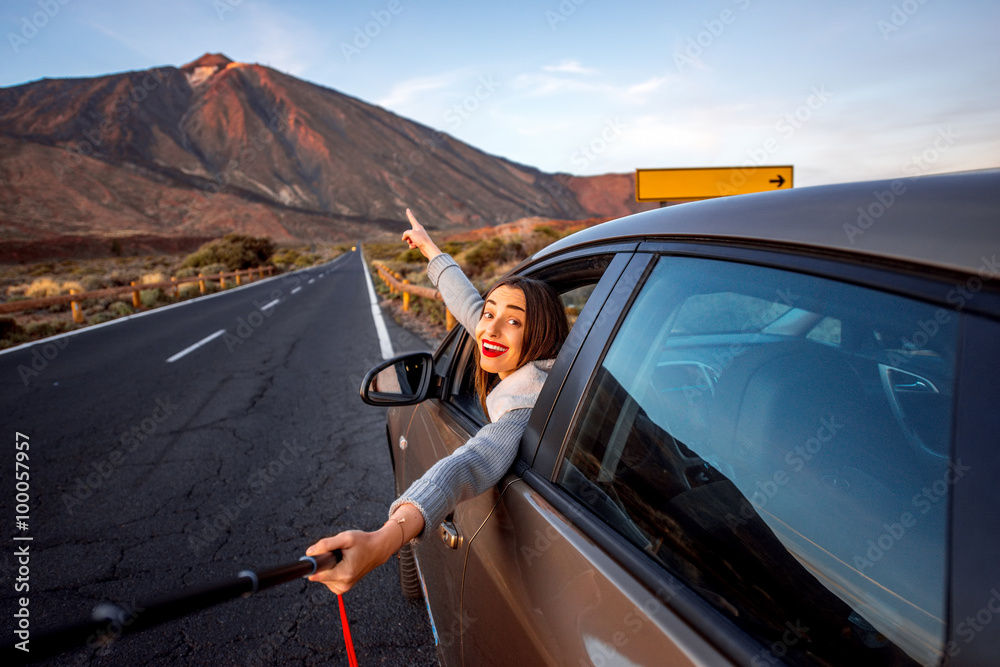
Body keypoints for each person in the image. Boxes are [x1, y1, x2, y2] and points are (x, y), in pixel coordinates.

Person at [305, 209, 569, 595]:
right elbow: (470, 307)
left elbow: (467, 464)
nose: (489, 328)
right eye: (490, 314)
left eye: (513, 321)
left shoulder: (525, 406)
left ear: (541, 332)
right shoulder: (547, 368)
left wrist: (384, 540)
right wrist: (431, 250)